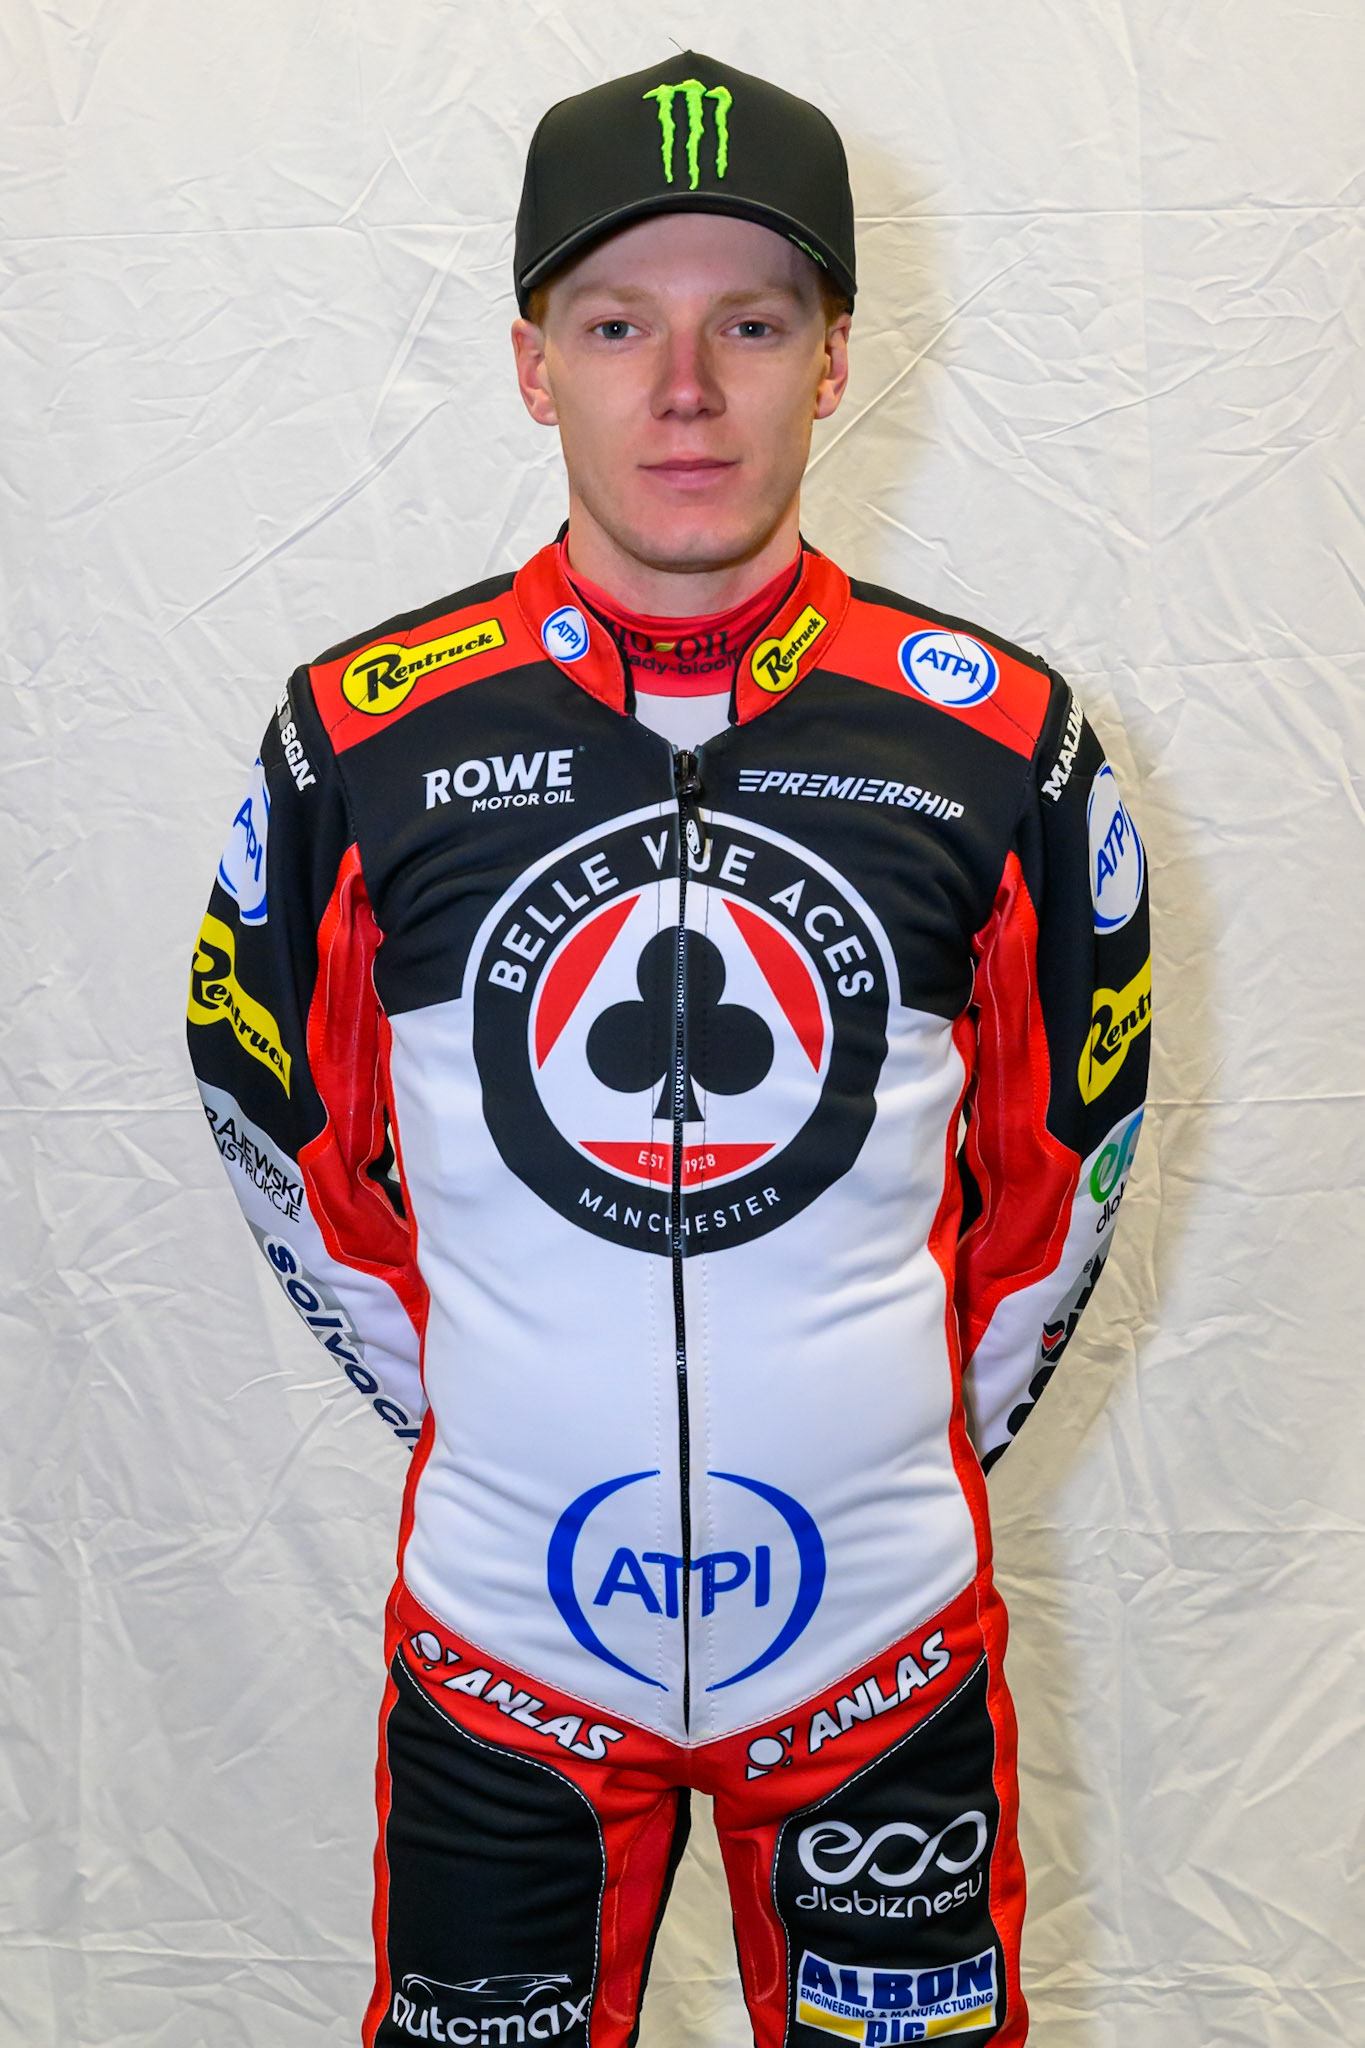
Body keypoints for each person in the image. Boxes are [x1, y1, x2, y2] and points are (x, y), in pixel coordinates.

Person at [187, 50, 1150, 2048]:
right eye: (619, 324)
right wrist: (488, 1405)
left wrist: (888, 1438)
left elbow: (1068, 1152)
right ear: (532, 364)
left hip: (877, 1639)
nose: (686, 389)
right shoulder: (360, 735)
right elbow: (276, 1116)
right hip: (506, 1646)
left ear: (837, 358)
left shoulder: (1002, 741)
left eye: (752, 324)